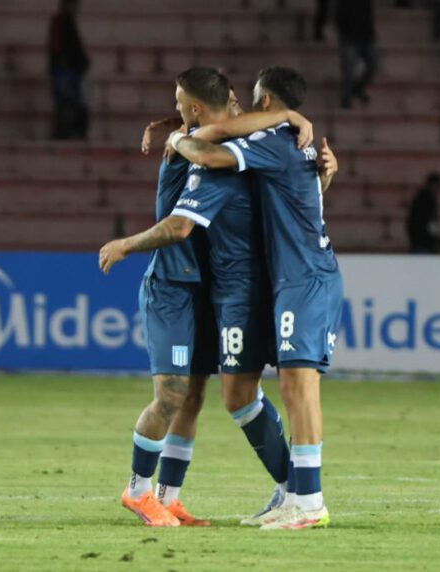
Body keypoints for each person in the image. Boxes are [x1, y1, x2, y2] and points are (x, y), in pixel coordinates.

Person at [100, 68, 324, 527]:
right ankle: (139, 491)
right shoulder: (204, 154)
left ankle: (173, 495)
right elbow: (180, 224)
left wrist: (295, 125)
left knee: (197, 396)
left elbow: (233, 120)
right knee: (179, 394)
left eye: (180, 101)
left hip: (215, 288)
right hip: (176, 283)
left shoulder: (237, 148)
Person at [156, 67, 344, 530]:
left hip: (304, 279)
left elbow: (213, 142)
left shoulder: (278, 138)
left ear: (267, 104)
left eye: (258, 100)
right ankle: (294, 493)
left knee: (300, 386)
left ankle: (309, 499)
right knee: (247, 392)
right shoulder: (288, 142)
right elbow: (300, 196)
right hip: (285, 279)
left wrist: (179, 140)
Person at [48, 0, 89, 139]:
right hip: (65, 72)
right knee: (67, 105)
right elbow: (58, 49)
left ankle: (66, 133)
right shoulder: (61, 21)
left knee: (69, 105)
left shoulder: (65, 21)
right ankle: (64, 134)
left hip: (69, 71)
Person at [336, 0, 378, 108]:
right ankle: (346, 97)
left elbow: (369, 14)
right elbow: (339, 16)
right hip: (350, 38)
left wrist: (371, 34)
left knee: (374, 66)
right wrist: (344, 34)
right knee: (348, 69)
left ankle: (358, 88)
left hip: (366, 36)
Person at [407, 171, 440, 254]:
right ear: (434, 185)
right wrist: (436, 239)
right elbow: (431, 222)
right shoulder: (428, 200)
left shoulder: (420, 198)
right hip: (424, 243)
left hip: (418, 241)